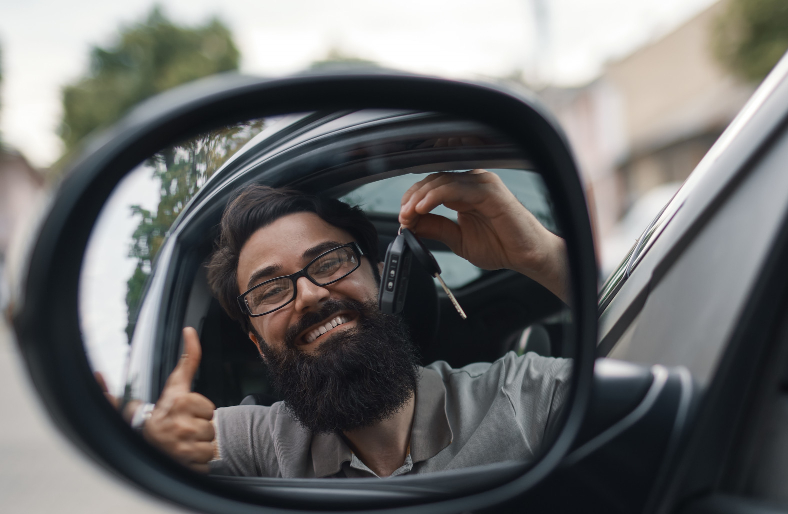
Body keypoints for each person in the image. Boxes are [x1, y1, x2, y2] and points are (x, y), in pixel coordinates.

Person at [137, 170, 573, 478]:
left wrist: (538, 255)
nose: (309, 295)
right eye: (269, 291)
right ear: (258, 345)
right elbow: (161, 438)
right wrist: (152, 436)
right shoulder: (261, 443)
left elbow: (640, 364)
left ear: (385, 280)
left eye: (328, 262)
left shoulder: (518, 394)